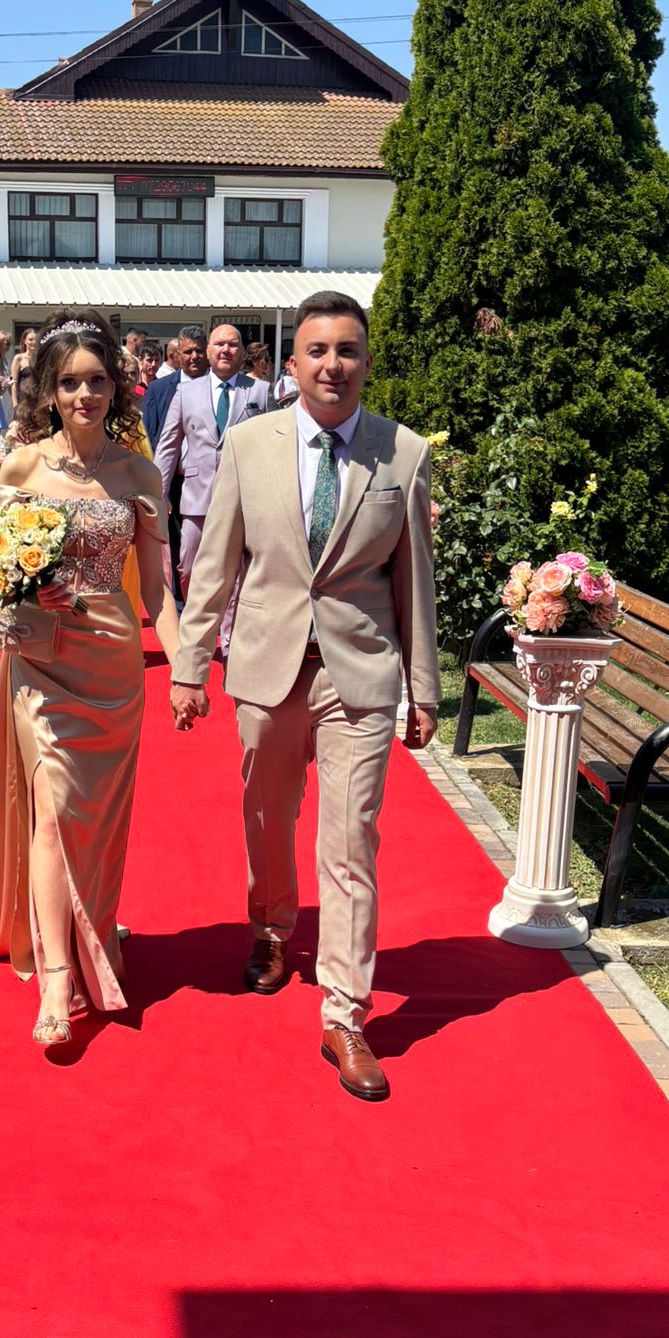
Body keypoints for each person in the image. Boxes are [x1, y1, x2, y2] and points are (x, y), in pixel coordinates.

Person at [169, 290, 438, 1105]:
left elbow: (414, 581)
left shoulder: (403, 453)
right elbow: (215, 563)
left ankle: (345, 1014)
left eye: (347, 350)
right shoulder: (249, 445)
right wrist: (189, 665)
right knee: (267, 815)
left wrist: (423, 687)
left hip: (359, 675)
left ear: (366, 362)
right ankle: (272, 928)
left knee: (351, 842)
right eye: (318, 350)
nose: (333, 365)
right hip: (267, 669)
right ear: (291, 364)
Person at [0, 308, 181, 1049]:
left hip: (114, 666)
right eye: (72, 382)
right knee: (51, 812)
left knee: (97, 821)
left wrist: (187, 669)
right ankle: (57, 976)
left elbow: (159, 593)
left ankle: (93, 930)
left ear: (117, 386)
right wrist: (27, 592)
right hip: (44, 663)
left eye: (98, 381)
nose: (86, 395)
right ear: (50, 390)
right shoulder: (22, 467)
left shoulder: (139, 473)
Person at [153, 322, 271, 596]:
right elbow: (168, 446)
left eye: (232, 345)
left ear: (242, 352)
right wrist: (158, 495)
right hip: (197, 498)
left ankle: (229, 626)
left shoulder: (260, 392)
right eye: (219, 344)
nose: (225, 350)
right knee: (189, 567)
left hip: (244, 501)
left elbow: (275, 447)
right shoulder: (186, 392)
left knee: (236, 574)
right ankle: (197, 619)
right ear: (208, 351)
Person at [143, 326, 208, 596]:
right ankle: (179, 602)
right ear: (177, 354)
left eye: (199, 351)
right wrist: (159, 488)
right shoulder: (159, 389)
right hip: (171, 482)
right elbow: (150, 439)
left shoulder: (217, 388)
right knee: (175, 545)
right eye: (188, 351)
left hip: (206, 483)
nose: (194, 357)